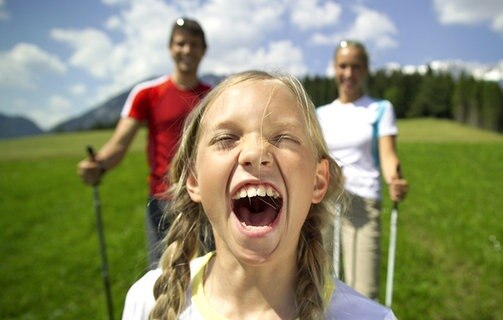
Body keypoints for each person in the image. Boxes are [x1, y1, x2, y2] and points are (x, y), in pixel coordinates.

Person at [121, 70, 397, 319]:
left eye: (283, 138)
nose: (255, 153)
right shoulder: (146, 300)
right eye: (226, 139)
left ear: (318, 181)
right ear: (194, 179)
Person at [76, 17, 211, 267]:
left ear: (204, 50)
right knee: (161, 279)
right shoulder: (147, 93)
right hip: (163, 201)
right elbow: (118, 144)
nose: (187, 50)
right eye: (181, 44)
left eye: (194, 44)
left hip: (205, 199)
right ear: (170, 48)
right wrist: (99, 165)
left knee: (209, 274)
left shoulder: (213, 96)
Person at [316, 40, 409, 300]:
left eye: (356, 67)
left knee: (363, 292)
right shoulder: (321, 114)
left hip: (363, 206)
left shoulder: (380, 109)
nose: (349, 73)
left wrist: (395, 180)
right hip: (325, 204)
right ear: (334, 68)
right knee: (320, 286)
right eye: (343, 66)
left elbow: (389, 155)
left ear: (366, 70)